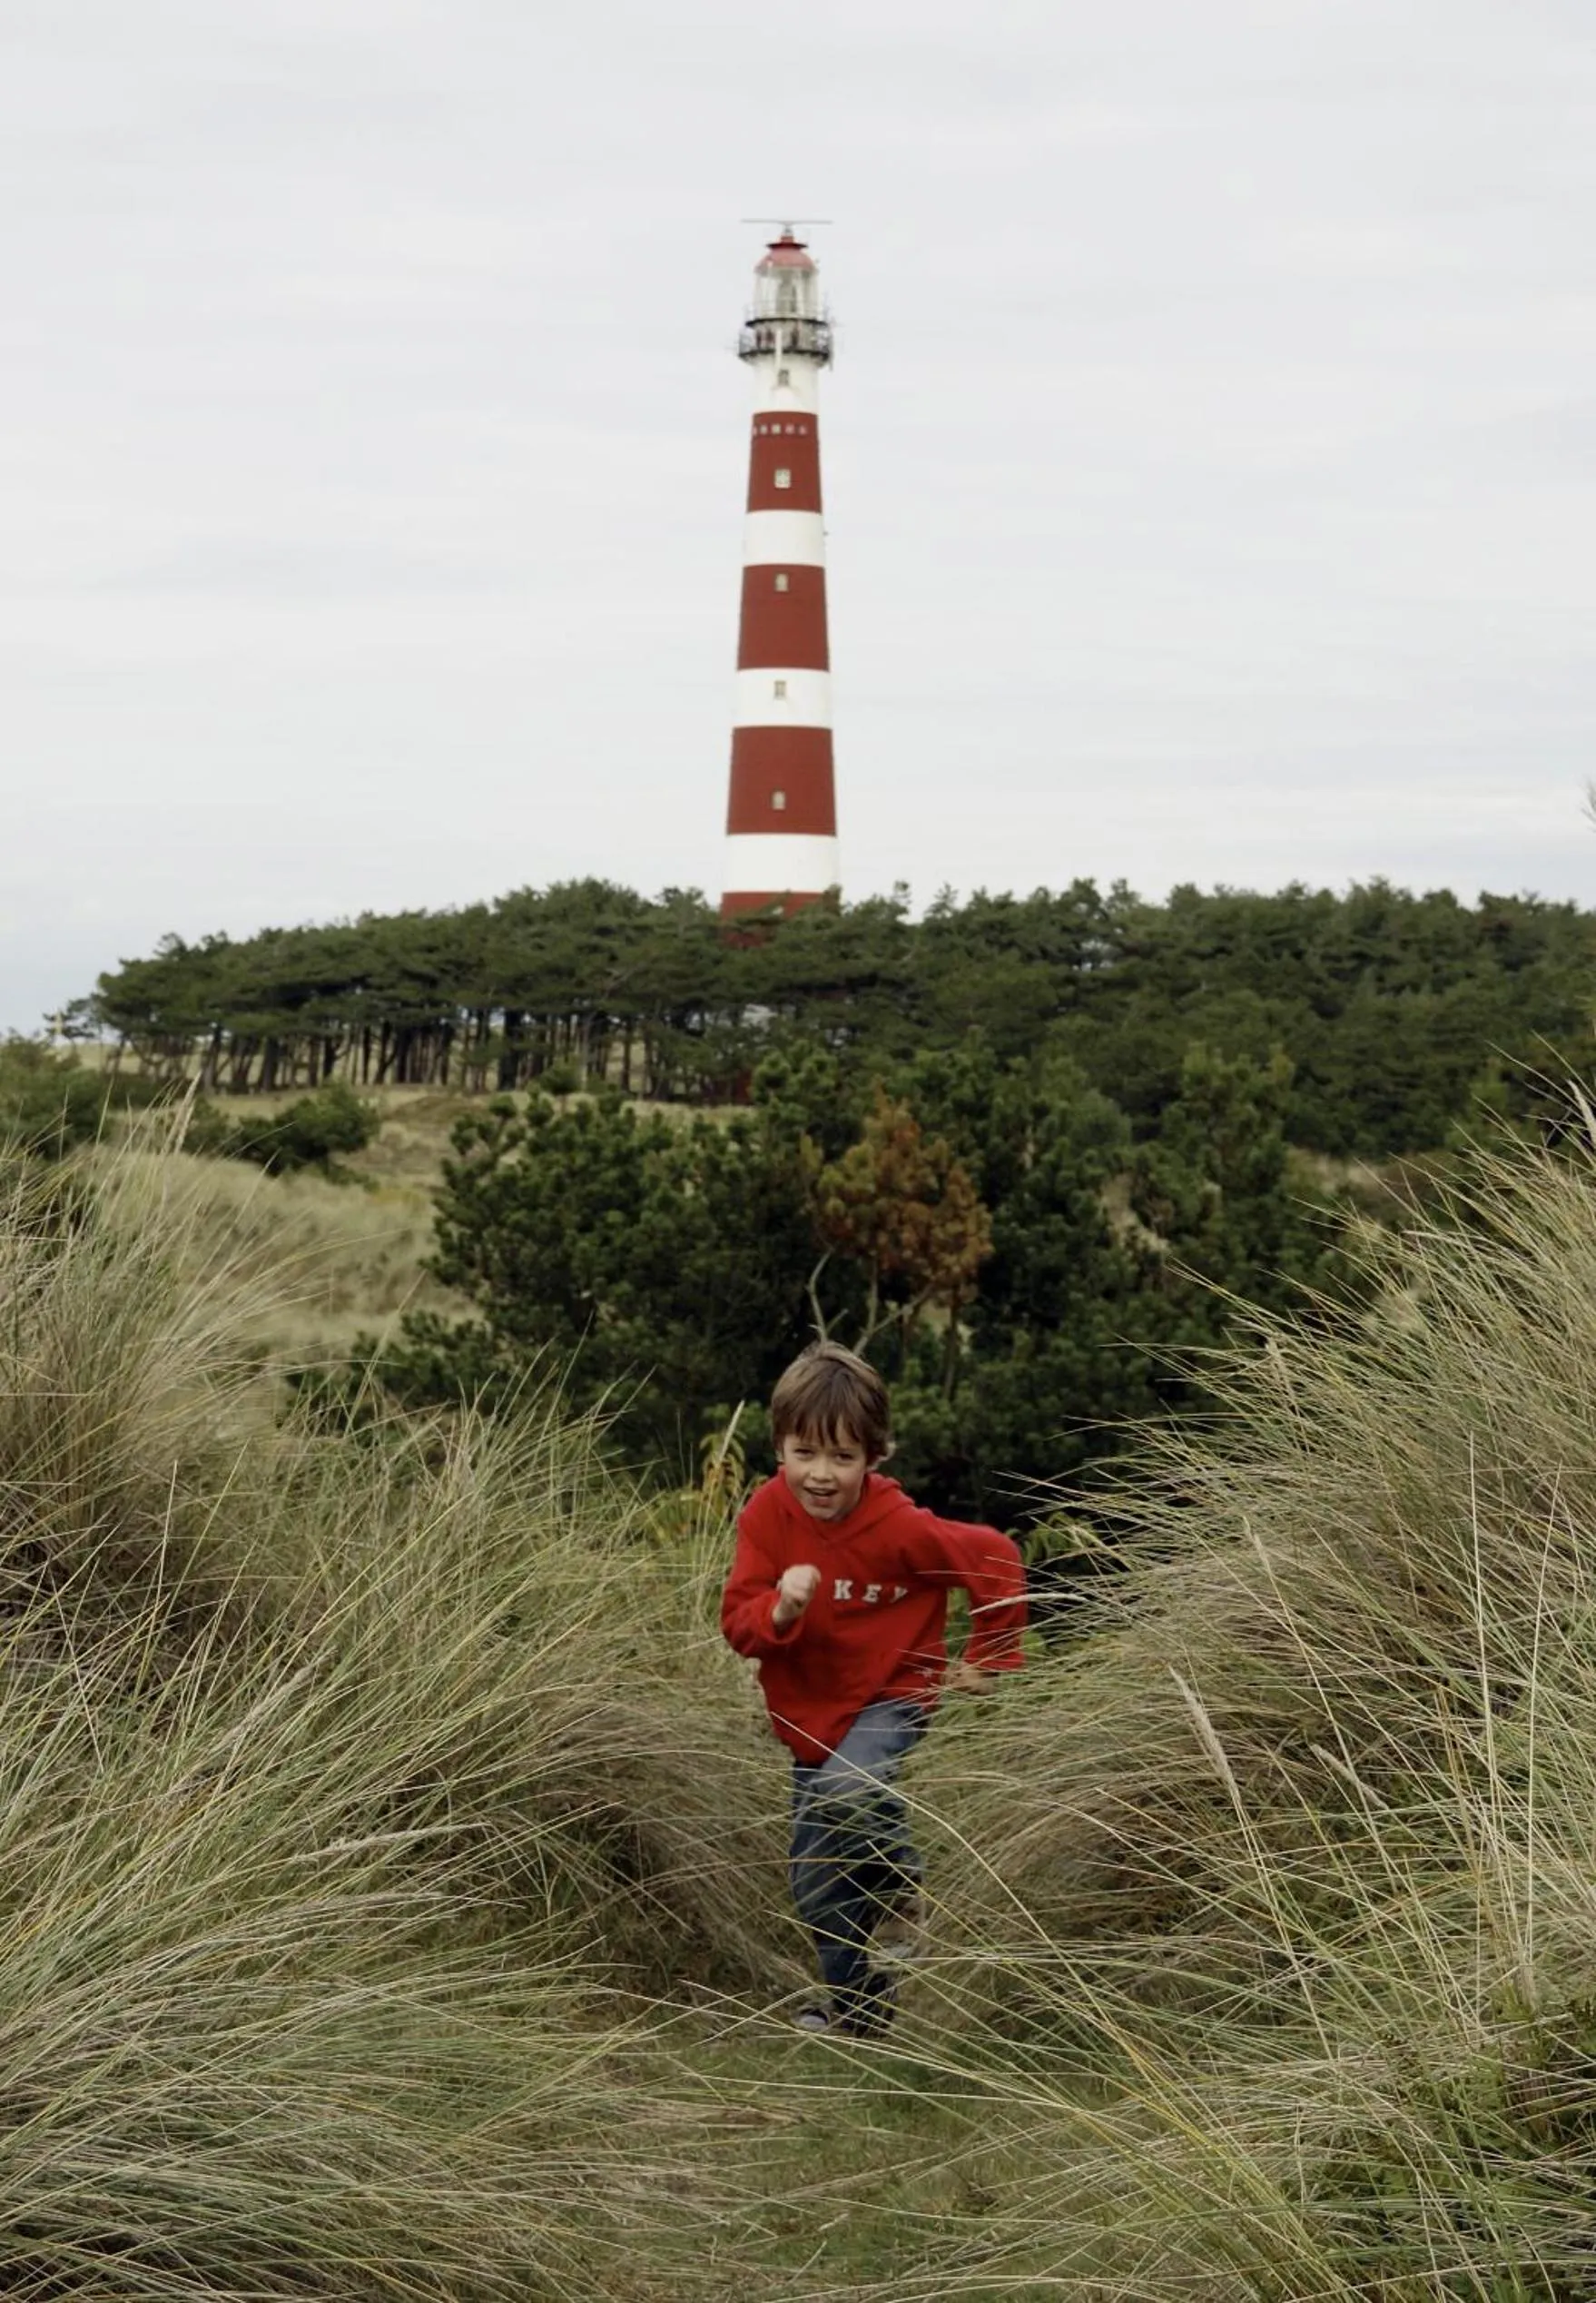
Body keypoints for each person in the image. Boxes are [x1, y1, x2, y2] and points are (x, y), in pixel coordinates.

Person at [720, 1341, 1027, 2038]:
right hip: (810, 1721)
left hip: (893, 1694)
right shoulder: (767, 1519)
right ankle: (860, 2015)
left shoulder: (899, 1527)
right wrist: (781, 1610)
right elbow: (738, 1623)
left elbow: (995, 1559)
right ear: (779, 1448)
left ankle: (897, 1896)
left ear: (875, 1456)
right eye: (805, 1454)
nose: (821, 1475)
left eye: (842, 1458)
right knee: (816, 1883)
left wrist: (990, 1656)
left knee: (849, 1790)